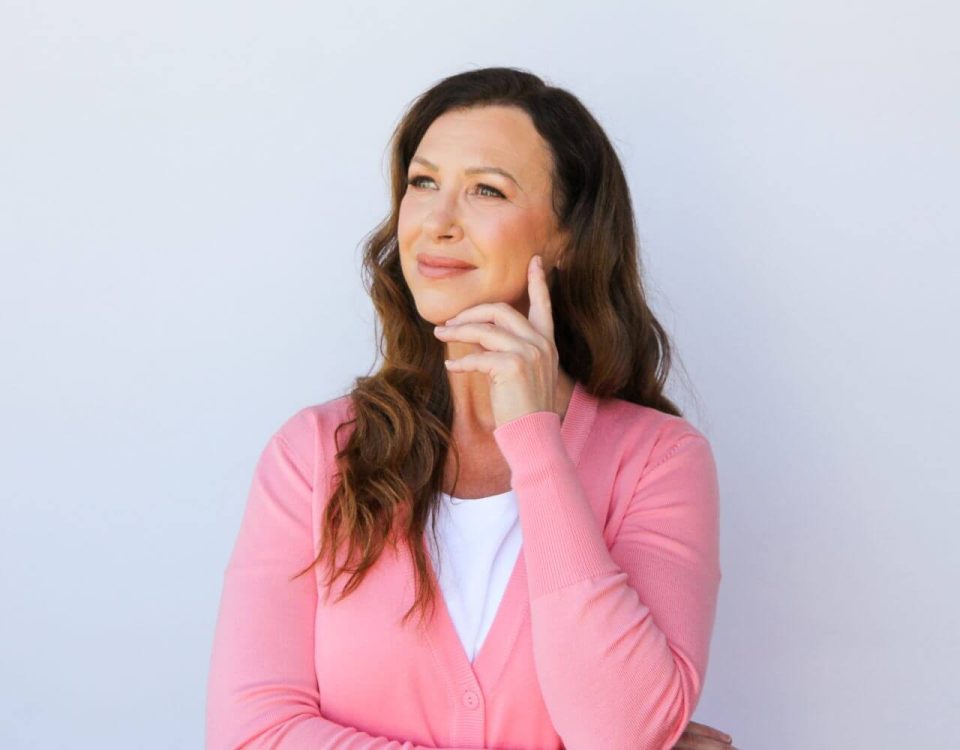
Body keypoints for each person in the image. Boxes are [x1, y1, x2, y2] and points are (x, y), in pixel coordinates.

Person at [205, 66, 737, 750]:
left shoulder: (659, 461)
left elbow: (620, 733)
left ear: (569, 236)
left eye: (486, 189)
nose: (438, 221)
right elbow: (252, 736)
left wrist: (536, 440)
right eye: (422, 183)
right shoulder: (314, 455)